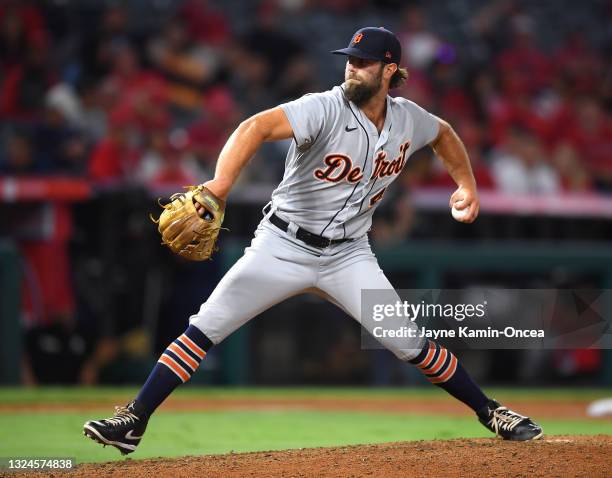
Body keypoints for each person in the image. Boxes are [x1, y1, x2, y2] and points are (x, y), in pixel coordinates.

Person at [83, 27, 542, 455]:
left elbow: (444, 134)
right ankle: (134, 420)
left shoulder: (408, 120)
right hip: (282, 245)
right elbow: (254, 127)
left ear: (389, 71)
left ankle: (492, 412)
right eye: (349, 60)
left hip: (349, 255)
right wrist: (219, 186)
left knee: (409, 344)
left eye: (363, 62)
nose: (351, 69)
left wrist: (467, 184)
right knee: (204, 327)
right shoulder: (323, 106)